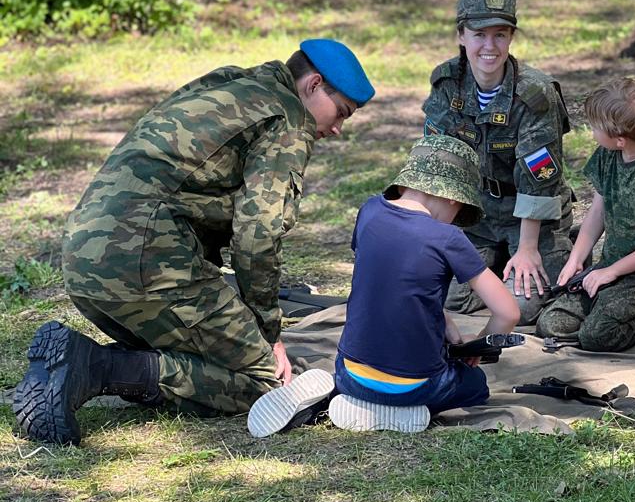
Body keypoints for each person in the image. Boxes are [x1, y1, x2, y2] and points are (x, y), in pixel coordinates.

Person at [13, 40, 374, 446]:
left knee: (203, 354)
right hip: (145, 264)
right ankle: (96, 367)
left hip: (84, 260)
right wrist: (268, 333)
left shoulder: (231, 82)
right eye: (341, 112)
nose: (338, 129)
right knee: (268, 383)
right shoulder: (289, 121)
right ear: (314, 84)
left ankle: (79, 365)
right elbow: (257, 236)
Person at [247, 136, 520, 436]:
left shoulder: (370, 211)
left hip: (351, 376)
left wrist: (443, 319)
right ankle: (400, 409)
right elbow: (508, 313)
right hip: (418, 386)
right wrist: (477, 346)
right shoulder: (448, 238)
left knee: (362, 375)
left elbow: (390, 280)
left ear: (404, 183)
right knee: (475, 385)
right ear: (454, 197)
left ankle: (344, 399)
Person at [422, 0, 573, 325]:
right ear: (461, 36)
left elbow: (539, 180)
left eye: (500, 35)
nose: (489, 46)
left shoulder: (535, 95)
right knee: (445, 297)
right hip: (475, 215)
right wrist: (432, 234)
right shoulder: (447, 83)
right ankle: (498, 262)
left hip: (530, 219)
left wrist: (528, 249)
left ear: (511, 37)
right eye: (479, 34)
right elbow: (435, 160)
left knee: (521, 310)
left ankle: (557, 251)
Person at [537, 78, 635, 352]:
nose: (591, 132)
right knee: (550, 324)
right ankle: (605, 310)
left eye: (595, 128)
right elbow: (597, 213)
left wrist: (610, 272)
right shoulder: (607, 156)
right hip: (608, 272)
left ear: (620, 140)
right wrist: (575, 261)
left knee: (596, 335)